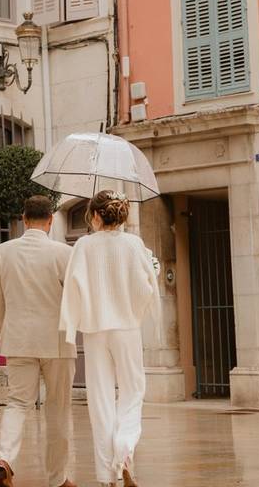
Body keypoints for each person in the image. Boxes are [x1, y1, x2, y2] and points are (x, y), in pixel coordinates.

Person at [59, 190, 161, 487]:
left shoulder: (83, 245)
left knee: (100, 398)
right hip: (126, 327)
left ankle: (107, 475)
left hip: (94, 329)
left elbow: (73, 286)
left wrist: (71, 324)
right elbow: (146, 288)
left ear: (95, 215)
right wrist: (139, 311)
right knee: (132, 391)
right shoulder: (134, 244)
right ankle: (125, 451)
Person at [0, 195, 78, 487]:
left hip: (18, 339)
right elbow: (74, 299)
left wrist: (4, 331)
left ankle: (5, 458)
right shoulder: (64, 253)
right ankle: (57, 478)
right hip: (57, 341)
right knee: (58, 409)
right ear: (50, 220)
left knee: (17, 403)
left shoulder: (2, 252)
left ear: (24, 219)